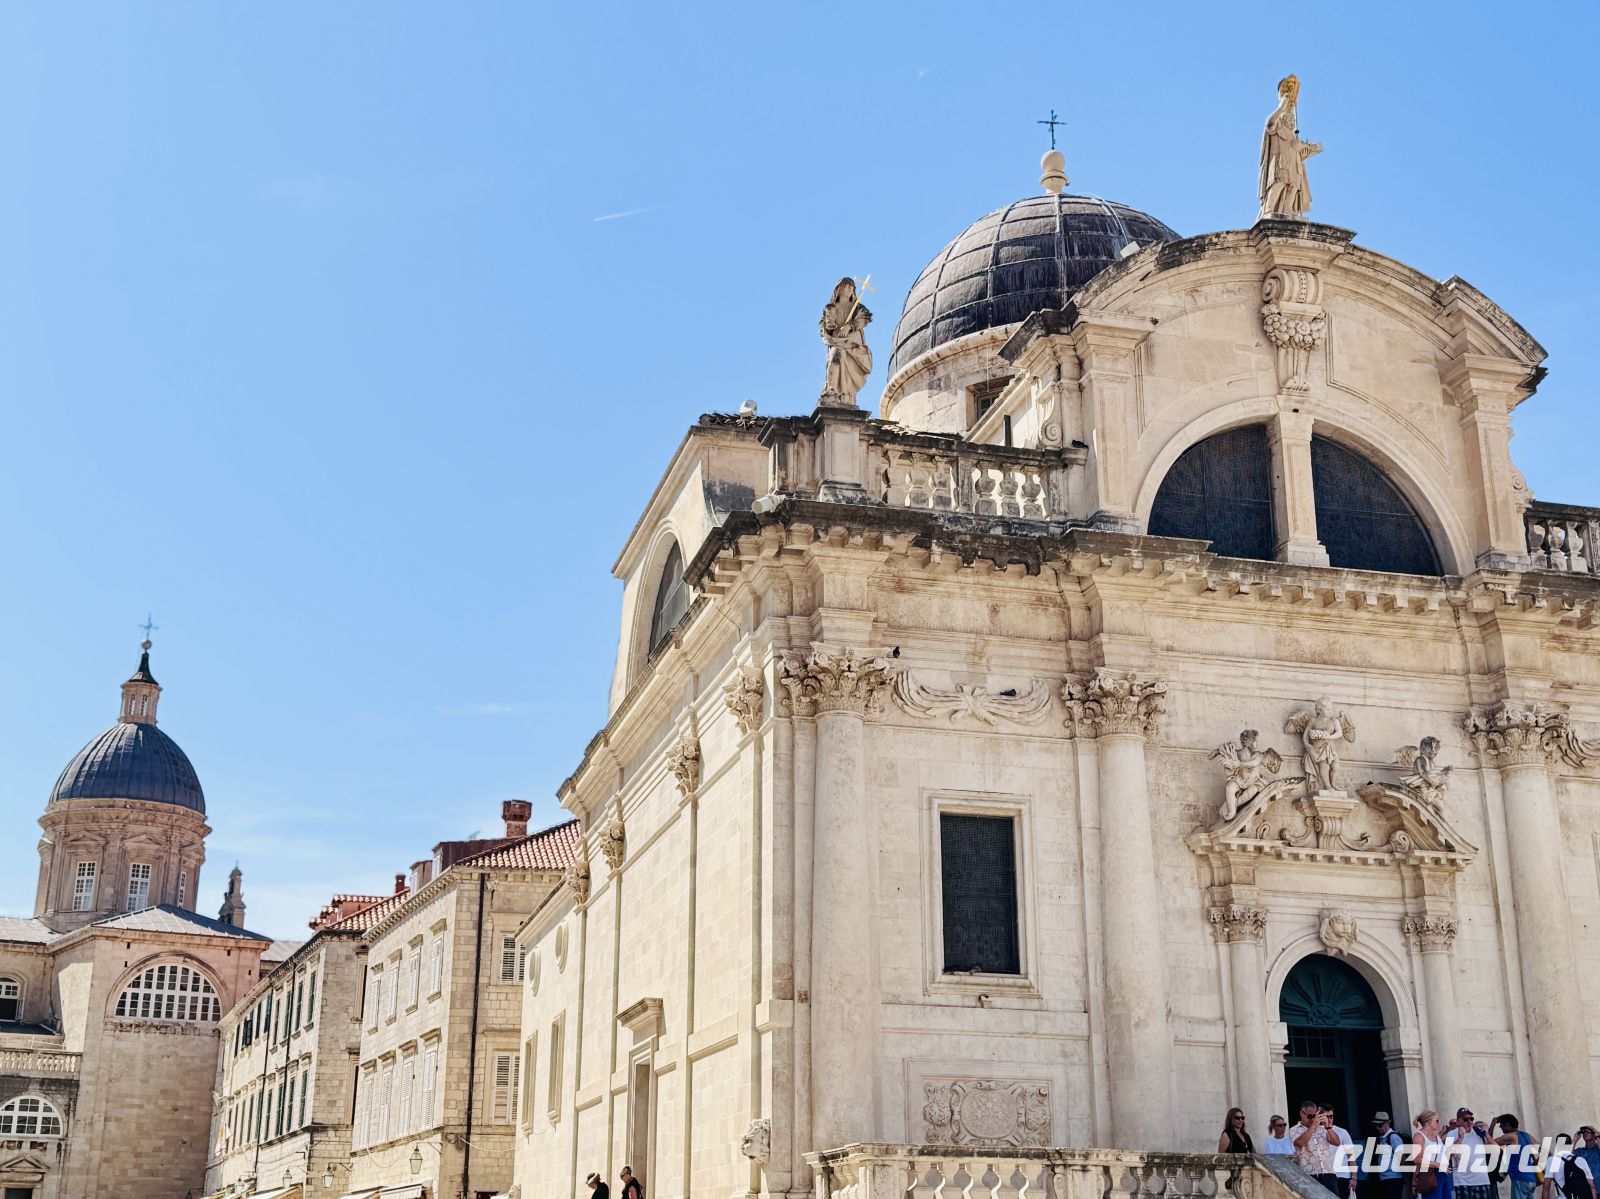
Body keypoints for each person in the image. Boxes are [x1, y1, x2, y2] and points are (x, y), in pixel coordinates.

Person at [1446, 1108, 1494, 1199]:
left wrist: (1487, 1134)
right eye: (1465, 1119)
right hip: (1462, 1182)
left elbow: (1496, 1149)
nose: (1469, 1121)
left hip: (1482, 1180)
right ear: (1458, 1121)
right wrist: (1460, 1138)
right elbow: (1448, 1154)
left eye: (1471, 1119)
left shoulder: (1478, 1133)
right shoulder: (1452, 1134)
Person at [1295, 1099, 1340, 1191]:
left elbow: (1336, 1142)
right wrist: (1313, 1126)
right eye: (1310, 1116)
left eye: (1314, 1116)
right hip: (1309, 1175)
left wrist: (1328, 1127)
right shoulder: (1295, 1130)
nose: (1312, 1119)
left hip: (1328, 1174)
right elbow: (1300, 1143)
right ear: (1301, 1114)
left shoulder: (1322, 1128)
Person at [1490, 1114, 1536, 1199]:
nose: (1501, 1128)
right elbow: (1544, 1150)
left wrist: (1492, 1124)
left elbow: (1489, 1144)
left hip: (1520, 1179)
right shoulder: (1526, 1135)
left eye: (1501, 1126)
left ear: (1507, 1124)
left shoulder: (1511, 1136)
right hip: (1531, 1179)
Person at [1364, 1111, 1406, 1199]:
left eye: (1379, 1125)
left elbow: (1401, 1157)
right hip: (1384, 1179)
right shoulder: (1382, 1138)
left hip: (1393, 1179)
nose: (1377, 1128)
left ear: (1387, 1124)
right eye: (1376, 1125)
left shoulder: (1393, 1137)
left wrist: (1405, 1176)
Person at [1416, 1110, 1450, 1199]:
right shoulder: (1419, 1136)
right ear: (1428, 1122)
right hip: (1431, 1175)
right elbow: (1417, 1159)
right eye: (1437, 1121)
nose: (1439, 1123)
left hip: (1443, 1174)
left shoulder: (1436, 1135)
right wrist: (1437, 1164)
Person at [1326, 1105, 1355, 1198]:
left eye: (1331, 1116)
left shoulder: (1342, 1132)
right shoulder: (1316, 1132)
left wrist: (1354, 1177)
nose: (1330, 1119)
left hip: (1342, 1176)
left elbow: (1351, 1156)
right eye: (1327, 1116)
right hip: (1326, 1175)